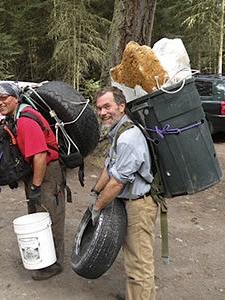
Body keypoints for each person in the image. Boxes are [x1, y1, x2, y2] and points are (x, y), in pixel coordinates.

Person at [89, 86, 158, 300]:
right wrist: (95, 191)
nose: (102, 112)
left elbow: (117, 183)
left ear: (121, 106)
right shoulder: (118, 131)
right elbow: (109, 167)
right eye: (99, 108)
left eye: (107, 106)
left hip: (139, 205)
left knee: (139, 264)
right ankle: (133, 295)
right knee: (132, 258)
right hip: (129, 203)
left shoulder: (128, 138)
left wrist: (97, 207)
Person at [0, 82, 65, 281]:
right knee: (37, 215)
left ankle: (55, 263)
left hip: (46, 171)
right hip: (35, 171)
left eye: (4, 98)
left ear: (16, 98)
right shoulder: (13, 117)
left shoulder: (25, 121)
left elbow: (40, 155)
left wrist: (36, 186)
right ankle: (43, 256)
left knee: (49, 215)